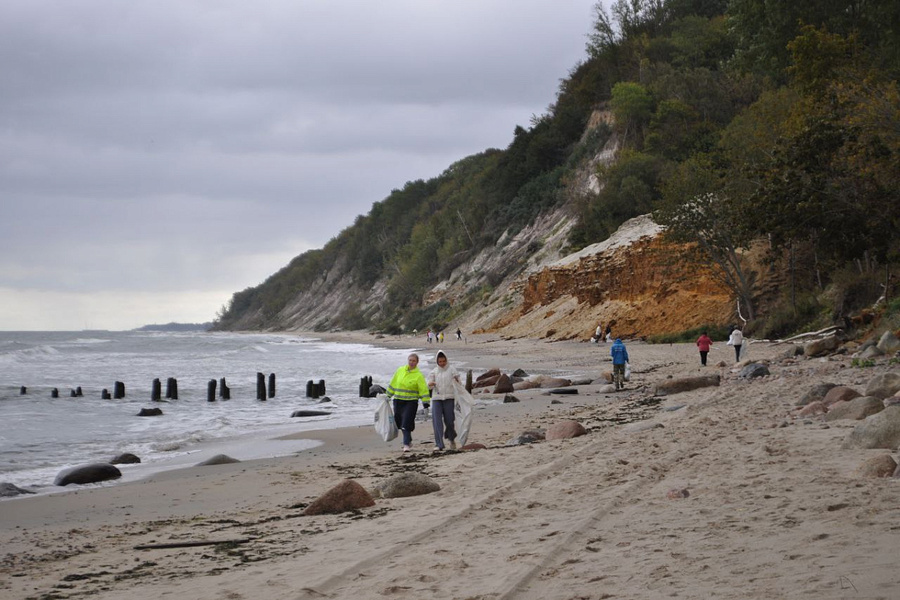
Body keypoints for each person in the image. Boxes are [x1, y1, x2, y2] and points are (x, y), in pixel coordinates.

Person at [386, 353, 430, 452]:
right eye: (410, 360)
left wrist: (425, 403)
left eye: (414, 361)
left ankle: (406, 444)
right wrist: (388, 395)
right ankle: (409, 439)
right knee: (400, 423)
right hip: (398, 401)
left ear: (417, 362)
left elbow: (423, 390)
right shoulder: (400, 370)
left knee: (406, 422)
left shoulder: (419, 376)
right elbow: (393, 384)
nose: (411, 362)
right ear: (408, 360)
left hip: (411, 402)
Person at [426, 350, 460, 451]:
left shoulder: (452, 370)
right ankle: (439, 444)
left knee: (449, 421)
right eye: (440, 361)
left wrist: (457, 380)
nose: (442, 363)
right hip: (437, 398)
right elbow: (428, 384)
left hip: (449, 398)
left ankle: (451, 439)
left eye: (443, 361)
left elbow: (459, 383)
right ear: (437, 361)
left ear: (446, 360)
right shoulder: (434, 371)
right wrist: (430, 384)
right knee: (437, 421)